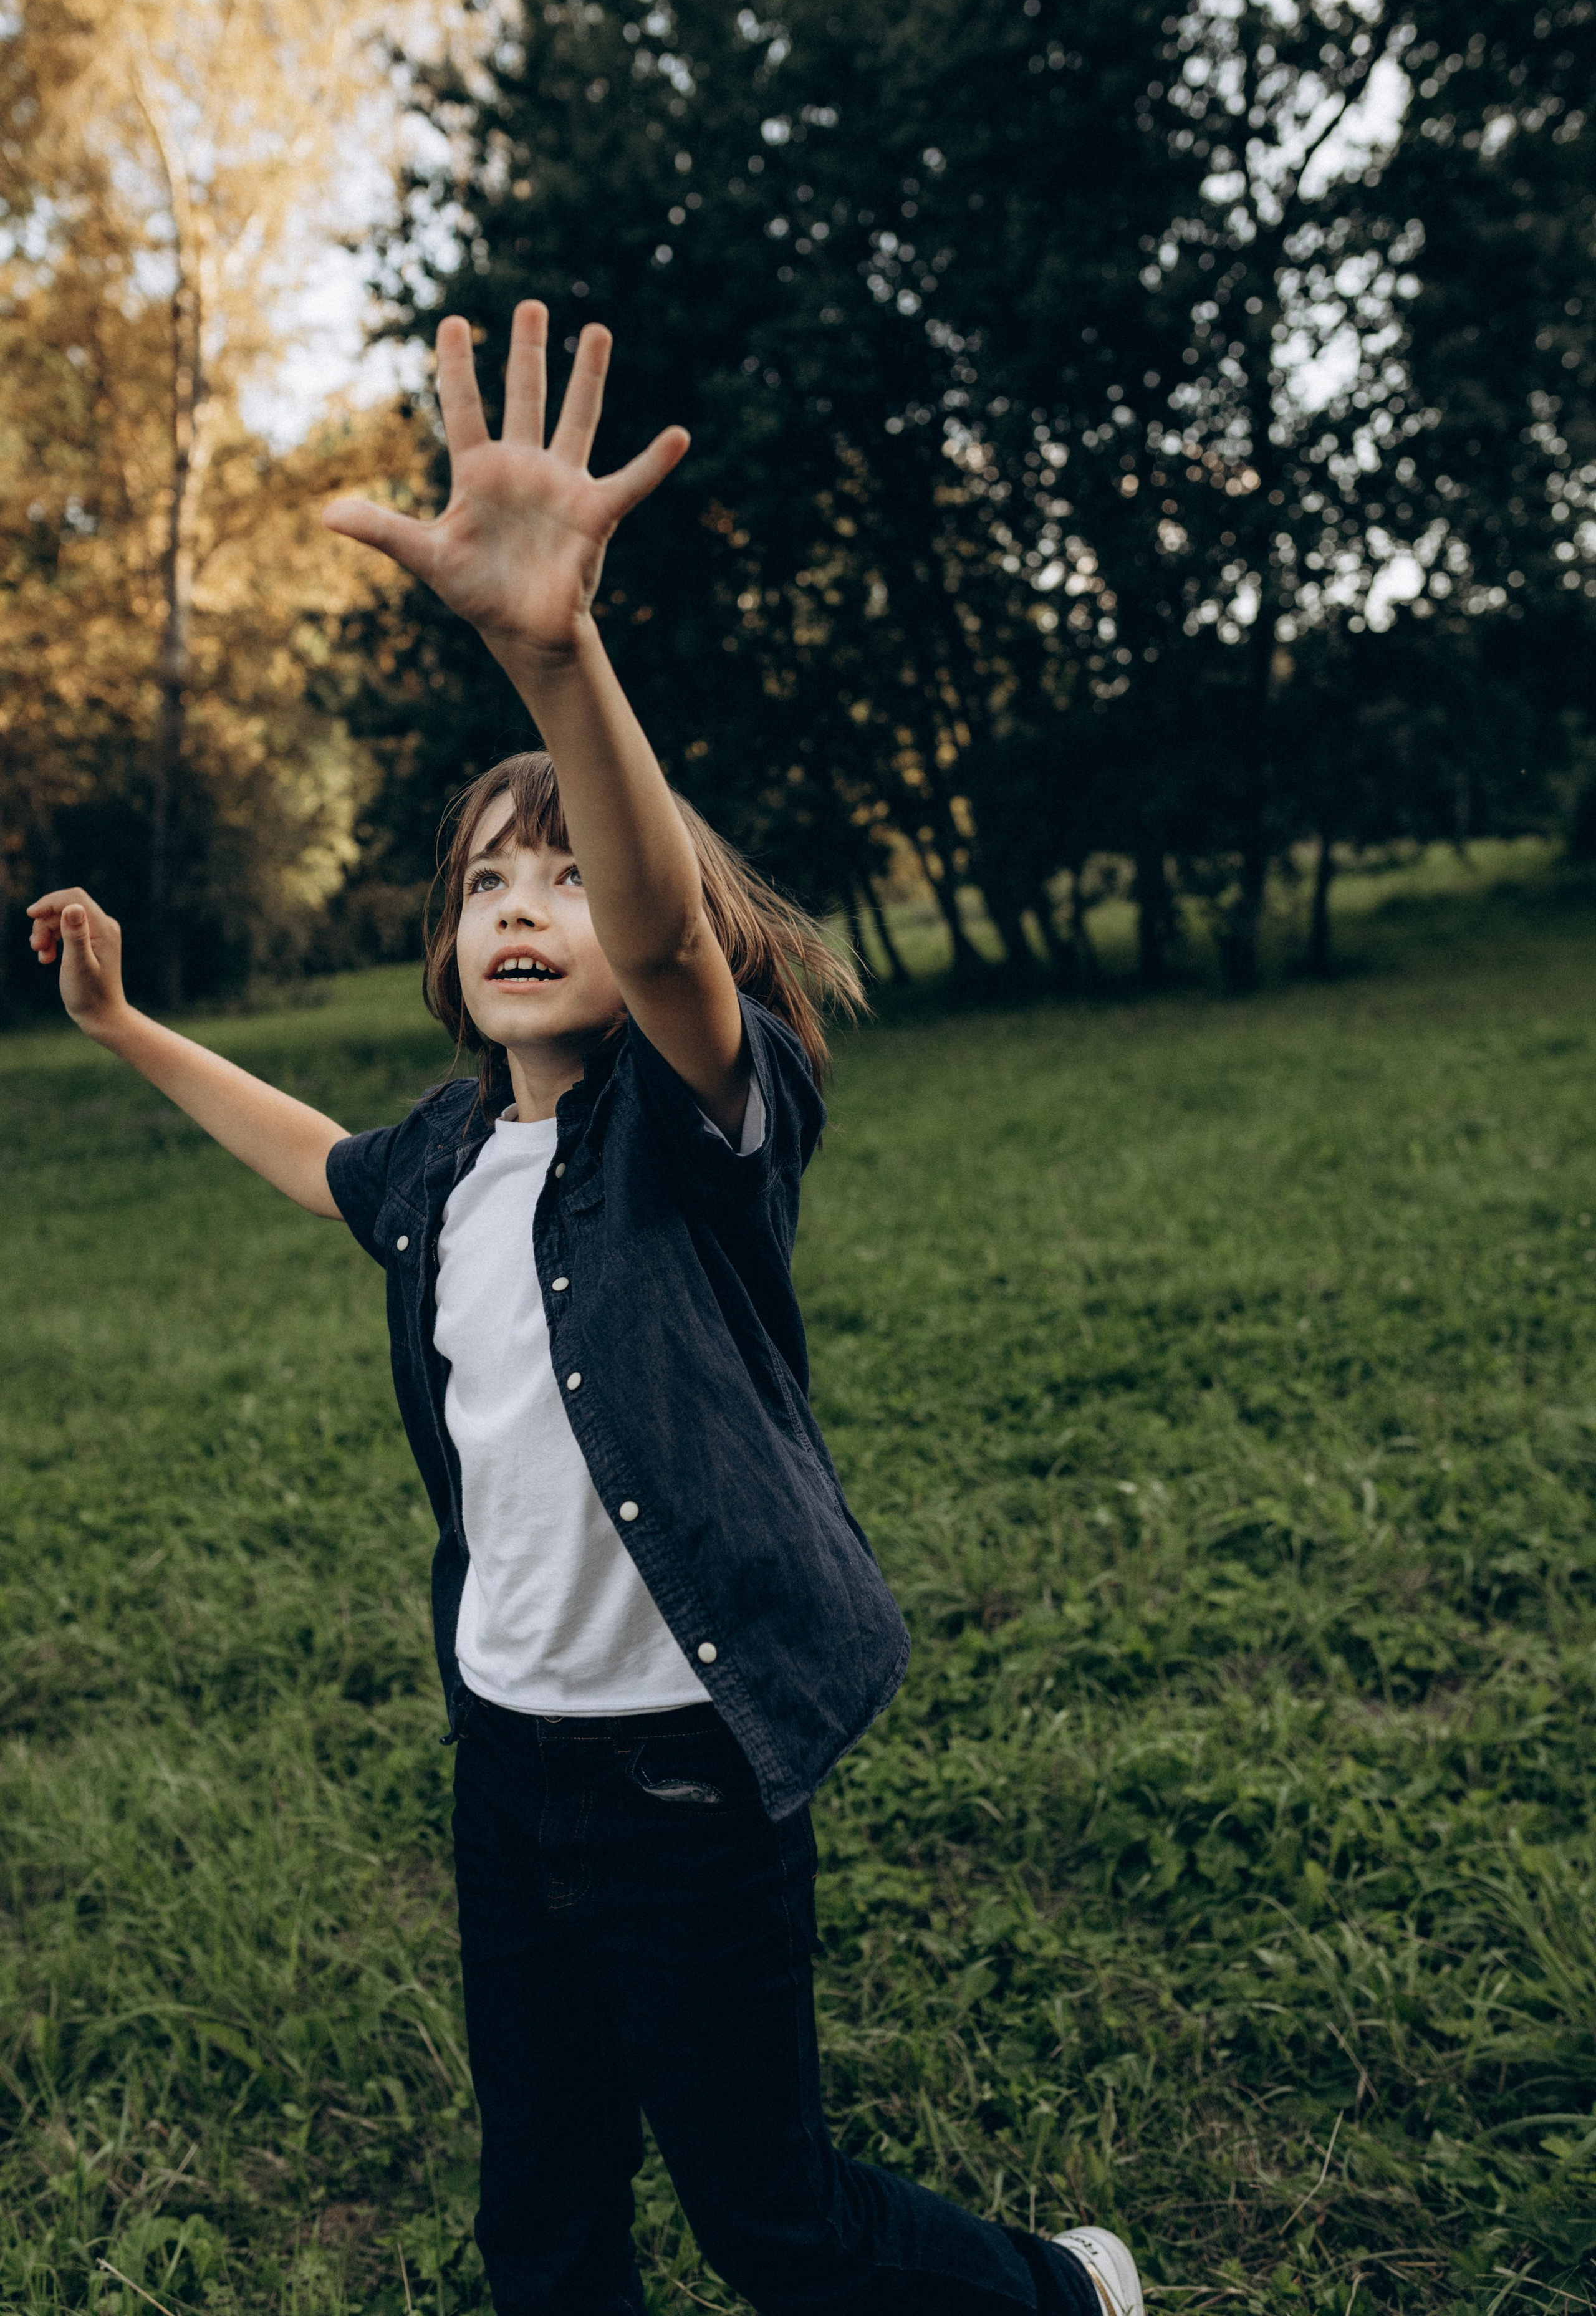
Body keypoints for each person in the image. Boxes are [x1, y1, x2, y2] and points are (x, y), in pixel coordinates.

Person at [27, 304, 1145, 2316]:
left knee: (771, 2224)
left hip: (688, 1782)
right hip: (510, 1767)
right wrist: (121, 1028)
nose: (528, 906)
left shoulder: (698, 1127)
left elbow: (664, 923)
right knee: (542, 2213)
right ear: (451, 958)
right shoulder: (445, 1164)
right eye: (485, 885)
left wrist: (557, 660)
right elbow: (305, 1148)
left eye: (560, 874)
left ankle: (1057, 2298)